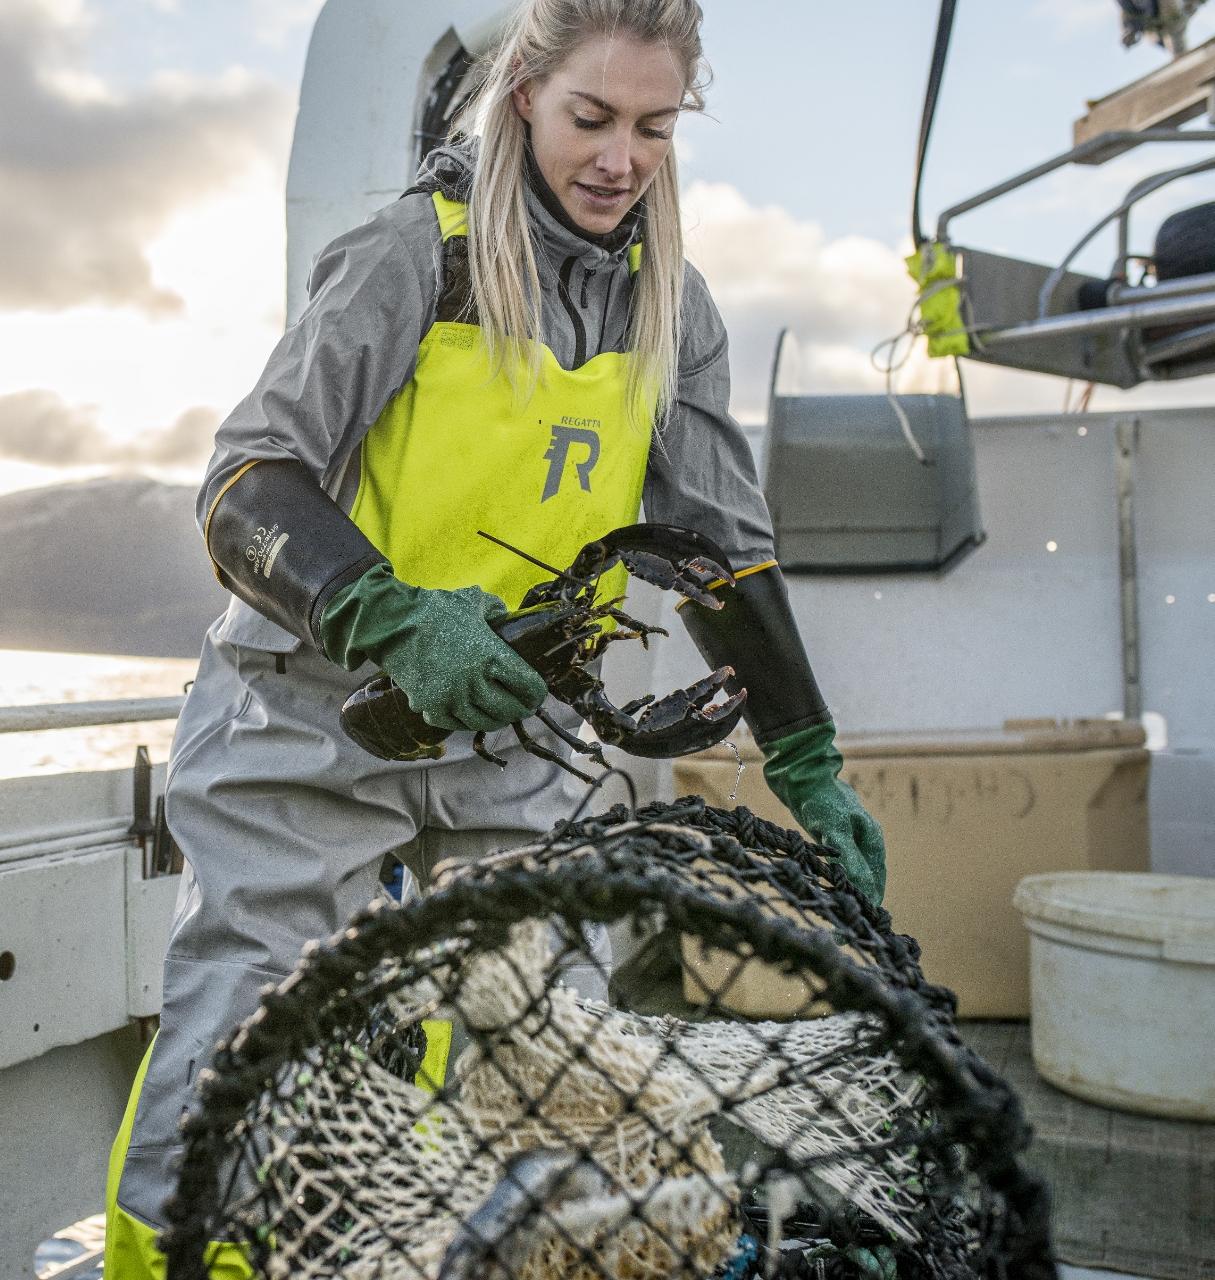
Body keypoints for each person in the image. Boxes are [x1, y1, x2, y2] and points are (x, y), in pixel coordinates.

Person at [104, 1, 887, 1273]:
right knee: (245, 1016)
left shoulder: (671, 310)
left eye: (652, 126)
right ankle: (177, 1260)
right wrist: (388, 617)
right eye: (591, 117)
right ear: (523, 92)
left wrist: (807, 753)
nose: (620, 158)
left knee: (539, 1029)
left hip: (513, 724)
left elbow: (720, 548)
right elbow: (247, 484)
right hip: (308, 706)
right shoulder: (411, 256)